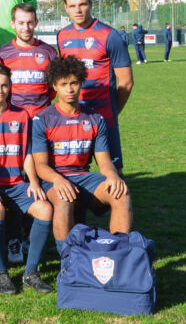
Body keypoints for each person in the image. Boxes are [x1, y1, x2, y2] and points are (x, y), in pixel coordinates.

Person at [0, 64, 54, 294]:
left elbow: (26, 154)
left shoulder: (21, 115)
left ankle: (31, 273)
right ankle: (2, 273)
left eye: (5, 85)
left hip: (16, 185)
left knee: (45, 209)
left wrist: (33, 181)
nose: (0, 90)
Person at [32, 57, 132, 252]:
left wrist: (112, 175)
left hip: (83, 177)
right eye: (63, 84)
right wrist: (58, 180)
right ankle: (68, 259)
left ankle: (118, 254)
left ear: (81, 83)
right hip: (53, 179)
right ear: (54, 86)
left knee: (122, 193)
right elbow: (40, 165)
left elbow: (104, 161)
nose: (69, 89)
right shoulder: (42, 119)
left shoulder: (95, 119)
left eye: (74, 83)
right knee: (64, 199)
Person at [56, 0, 133, 169]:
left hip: (103, 116)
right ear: (66, 8)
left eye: (82, 4)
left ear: (90, 4)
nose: (78, 10)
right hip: (72, 116)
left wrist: (113, 110)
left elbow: (126, 81)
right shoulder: (62, 36)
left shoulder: (110, 36)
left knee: (113, 172)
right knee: (73, 170)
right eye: (72, 6)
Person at [0, 3, 58, 118]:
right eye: (21, 23)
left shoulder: (50, 52)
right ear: (12, 24)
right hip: (13, 117)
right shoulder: (2, 54)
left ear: (36, 22)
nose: (26, 28)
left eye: (30, 22)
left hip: (42, 117)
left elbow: (54, 88)